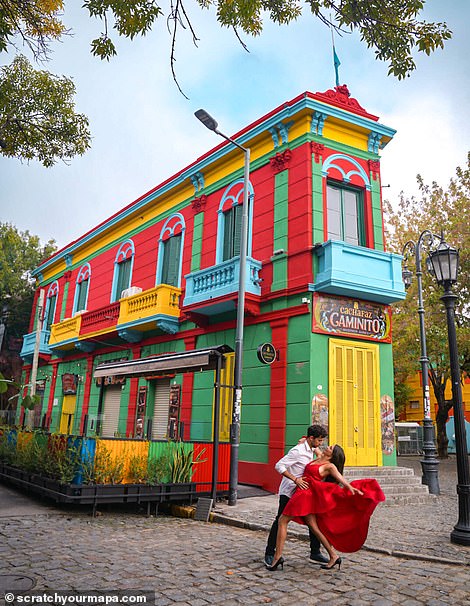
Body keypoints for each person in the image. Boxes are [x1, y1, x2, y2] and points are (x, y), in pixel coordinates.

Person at [266, 444, 385, 571]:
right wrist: (304, 441)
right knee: (314, 527)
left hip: (305, 496)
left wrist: (350, 488)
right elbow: (312, 445)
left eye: (330, 448)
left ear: (332, 455)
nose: (327, 446)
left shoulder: (330, 466)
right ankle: (333, 556)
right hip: (304, 494)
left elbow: (340, 478)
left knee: (282, 521)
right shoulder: (319, 456)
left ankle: (277, 557)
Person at [264, 424, 329, 567]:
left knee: (312, 520)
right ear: (311, 438)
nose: (321, 444)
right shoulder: (297, 451)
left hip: (303, 493)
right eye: (319, 440)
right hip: (289, 491)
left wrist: (316, 449)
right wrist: (295, 479)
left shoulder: (310, 447)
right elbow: (279, 466)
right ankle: (269, 553)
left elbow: (316, 452)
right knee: (280, 521)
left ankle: (315, 552)